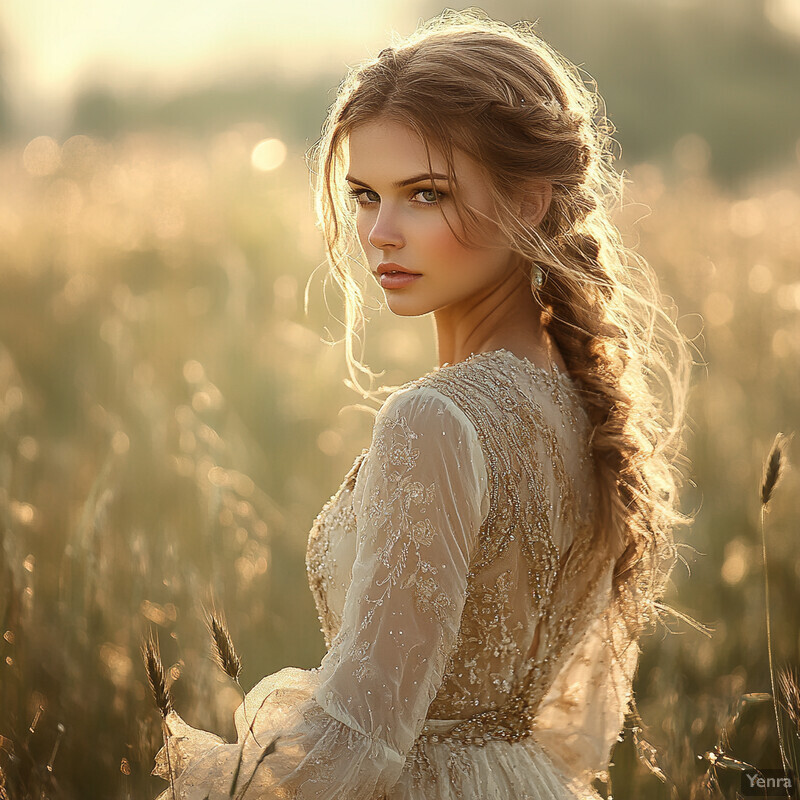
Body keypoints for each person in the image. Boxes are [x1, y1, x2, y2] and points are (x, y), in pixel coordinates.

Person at [152, 8, 693, 799]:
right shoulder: (588, 404)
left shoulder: (435, 420)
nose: (382, 233)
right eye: (366, 195)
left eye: (426, 194)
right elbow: (575, 733)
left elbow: (359, 743)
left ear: (531, 200)